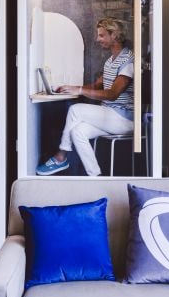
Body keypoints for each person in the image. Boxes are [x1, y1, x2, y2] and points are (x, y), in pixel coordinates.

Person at [35, 17, 134, 177]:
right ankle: (96, 177)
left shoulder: (129, 60)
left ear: (114, 35)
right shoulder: (110, 61)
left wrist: (79, 90)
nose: (97, 39)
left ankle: (61, 156)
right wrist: (68, 88)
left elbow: (112, 94)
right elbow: (97, 85)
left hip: (125, 119)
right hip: (110, 116)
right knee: (77, 132)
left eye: (102, 35)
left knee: (75, 110)